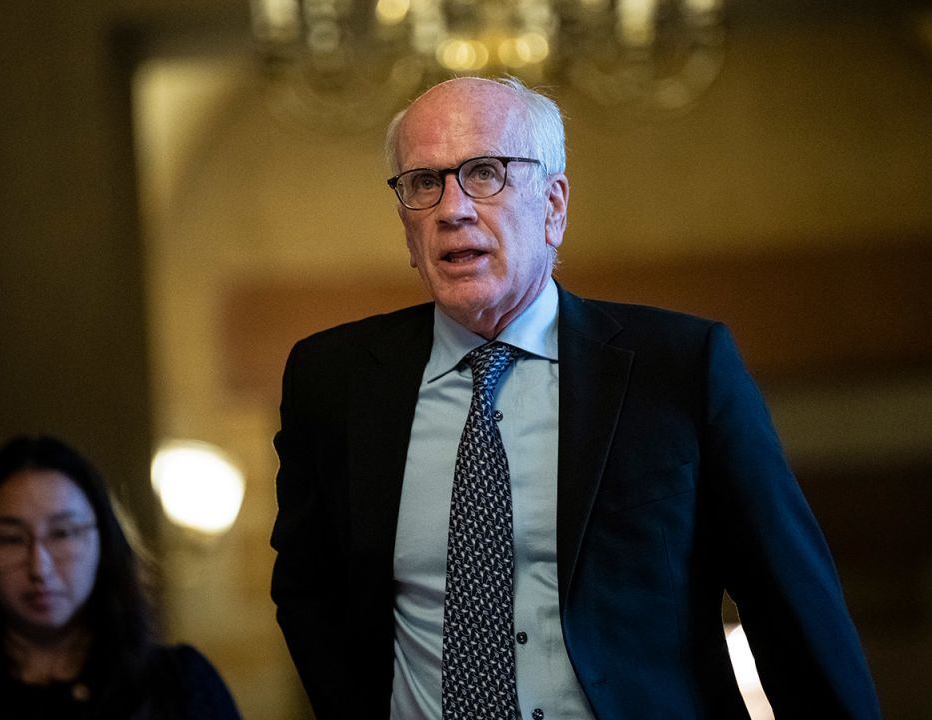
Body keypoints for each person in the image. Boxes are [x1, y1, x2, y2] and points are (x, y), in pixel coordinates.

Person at [271, 76, 881, 719]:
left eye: (485, 172)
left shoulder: (679, 367)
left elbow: (789, 604)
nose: (452, 208)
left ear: (554, 205)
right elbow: (308, 592)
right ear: (405, 222)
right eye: (424, 183)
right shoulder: (331, 380)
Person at [0, 434, 242, 720]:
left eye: (62, 534)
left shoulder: (179, 687)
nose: (39, 567)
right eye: (11, 539)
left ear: (103, 544)